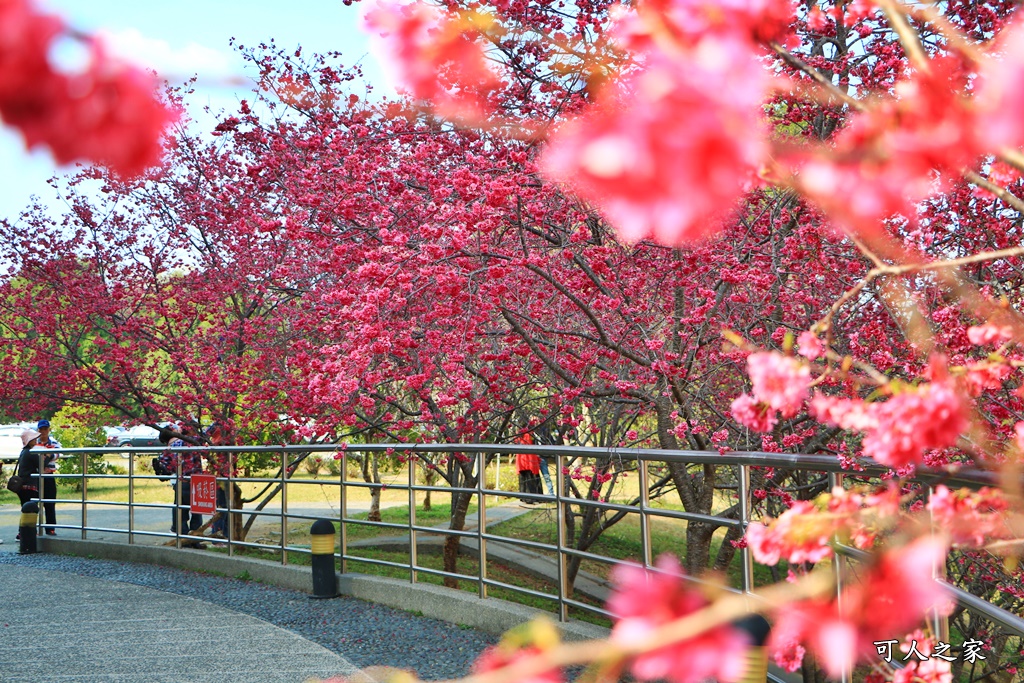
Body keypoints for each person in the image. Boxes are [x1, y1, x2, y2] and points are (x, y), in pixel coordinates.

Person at [157, 424, 205, 537]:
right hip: (197, 481)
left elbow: (167, 466)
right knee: (197, 512)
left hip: (181, 482)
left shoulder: (171, 446)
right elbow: (205, 435)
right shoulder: (191, 442)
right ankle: (195, 537)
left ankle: (183, 535)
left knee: (181, 512)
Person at [205, 423, 237, 538]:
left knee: (225, 507)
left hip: (222, 476)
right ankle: (218, 536)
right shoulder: (222, 443)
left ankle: (224, 535)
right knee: (223, 507)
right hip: (222, 477)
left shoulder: (215, 443)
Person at [34, 419, 61, 535]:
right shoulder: (34, 442)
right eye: (41, 429)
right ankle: (32, 529)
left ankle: (50, 528)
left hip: (49, 475)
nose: (43, 431)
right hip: (36, 476)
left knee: (49, 502)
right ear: (38, 430)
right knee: (34, 503)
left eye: (46, 429)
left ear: (49, 430)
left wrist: (49, 455)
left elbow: (58, 454)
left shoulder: (54, 443)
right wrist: (46, 454)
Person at [15, 428, 42, 540]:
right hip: (29, 486)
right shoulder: (31, 452)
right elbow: (41, 463)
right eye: (33, 438)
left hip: (22, 486)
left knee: (25, 509)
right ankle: (28, 532)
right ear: (28, 440)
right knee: (31, 509)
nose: (35, 440)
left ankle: (22, 532)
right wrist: (49, 455)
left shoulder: (24, 452)